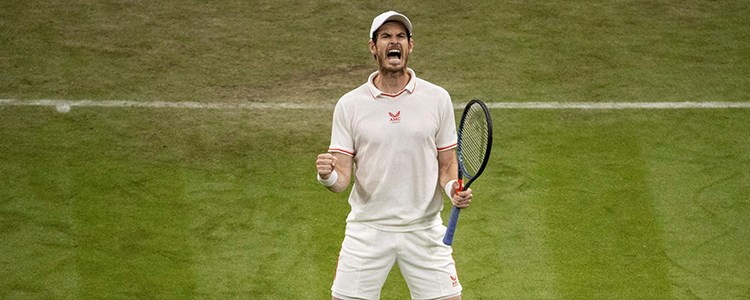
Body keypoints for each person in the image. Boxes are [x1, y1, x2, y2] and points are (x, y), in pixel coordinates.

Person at [315, 11, 473, 300]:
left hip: (423, 229)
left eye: (401, 36)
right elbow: (342, 180)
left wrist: (454, 190)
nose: (394, 42)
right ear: (373, 47)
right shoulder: (349, 105)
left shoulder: (437, 99)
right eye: (385, 36)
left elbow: (448, 166)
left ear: (410, 46)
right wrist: (327, 176)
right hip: (368, 229)